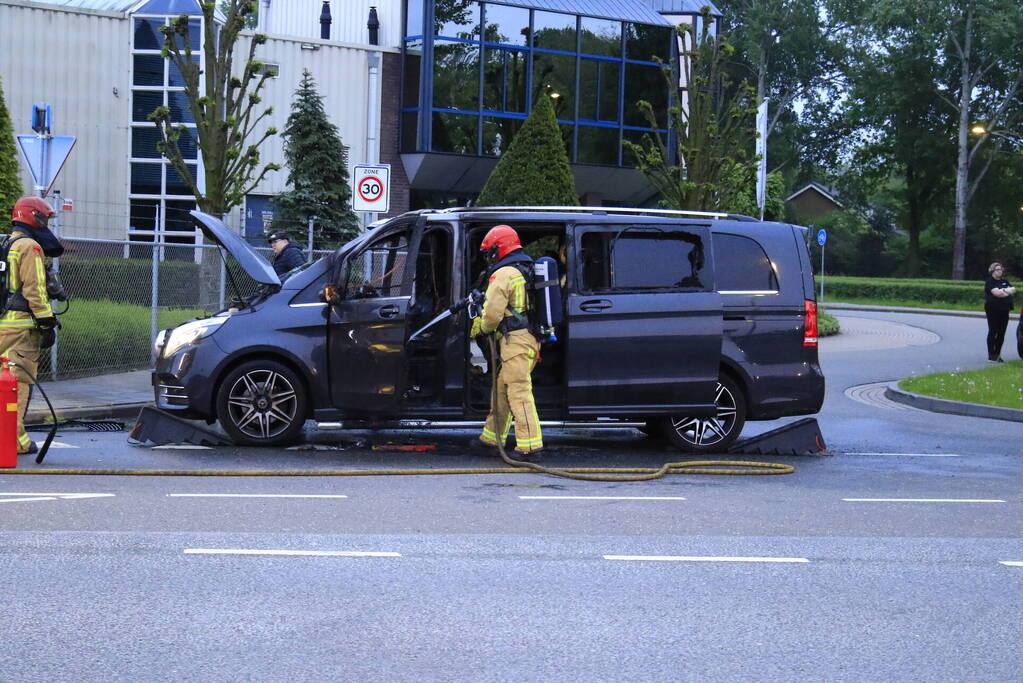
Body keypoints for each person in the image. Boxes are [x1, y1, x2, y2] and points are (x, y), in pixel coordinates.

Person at [471, 224, 544, 461]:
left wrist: (482, 328)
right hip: (526, 339)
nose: (488, 257)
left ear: (498, 249)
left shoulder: (504, 274)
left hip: (516, 343)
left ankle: (531, 447)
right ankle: (491, 439)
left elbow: (492, 314)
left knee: (518, 392)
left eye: (489, 252)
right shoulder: (525, 268)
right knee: (501, 389)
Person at [0, 196, 63, 455]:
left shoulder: (8, 243)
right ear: (34, 217)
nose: (46, 223)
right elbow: (34, 289)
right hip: (22, 330)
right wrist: (47, 322)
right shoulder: (30, 247)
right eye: (44, 218)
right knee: (19, 383)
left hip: (4, 324)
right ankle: (16, 441)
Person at [984, 262, 1016, 362]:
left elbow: (1013, 290)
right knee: (993, 331)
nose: (1000, 271)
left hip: (1005, 309)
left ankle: (997, 354)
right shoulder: (990, 281)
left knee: (1002, 333)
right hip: (993, 310)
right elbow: (997, 293)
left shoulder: (1005, 281)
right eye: (998, 269)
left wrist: (1003, 291)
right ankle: (991, 354)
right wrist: (1006, 291)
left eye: (1001, 269)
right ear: (993, 271)